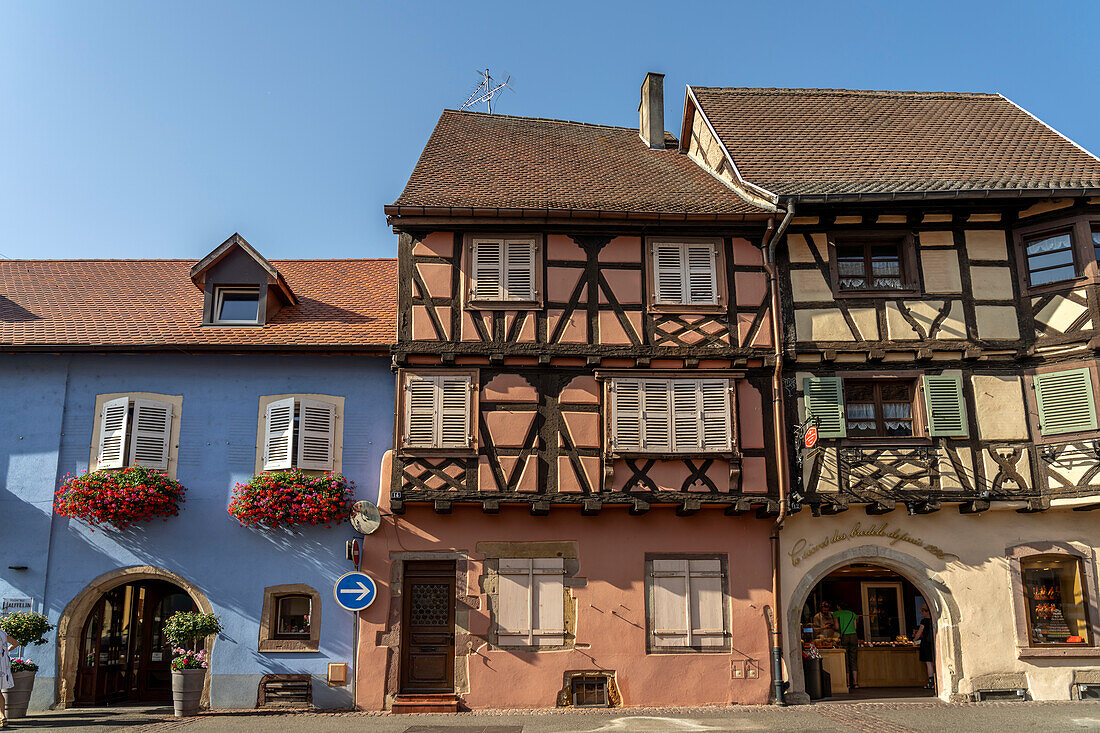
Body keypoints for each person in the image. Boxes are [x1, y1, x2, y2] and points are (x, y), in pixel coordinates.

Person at [833, 599, 860, 689]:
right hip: (853, 636)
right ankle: (856, 683)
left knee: (845, 660)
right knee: (853, 659)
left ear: (838, 607)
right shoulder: (853, 614)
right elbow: (855, 627)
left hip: (844, 636)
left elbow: (836, 627)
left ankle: (847, 684)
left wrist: (835, 628)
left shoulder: (836, 614)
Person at [913, 604, 935, 689]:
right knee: (934, 663)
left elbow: (919, 632)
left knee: (929, 664)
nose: (922, 613)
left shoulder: (924, 621)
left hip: (926, 643)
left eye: (922, 611)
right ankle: (936, 683)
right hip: (934, 642)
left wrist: (914, 639)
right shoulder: (934, 620)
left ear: (926, 611)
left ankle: (931, 682)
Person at [0, 625, 13, 728]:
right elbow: (16, 643)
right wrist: (5, 652)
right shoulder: (3, 633)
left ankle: (2, 716)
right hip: (3, 665)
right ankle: (3, 716)